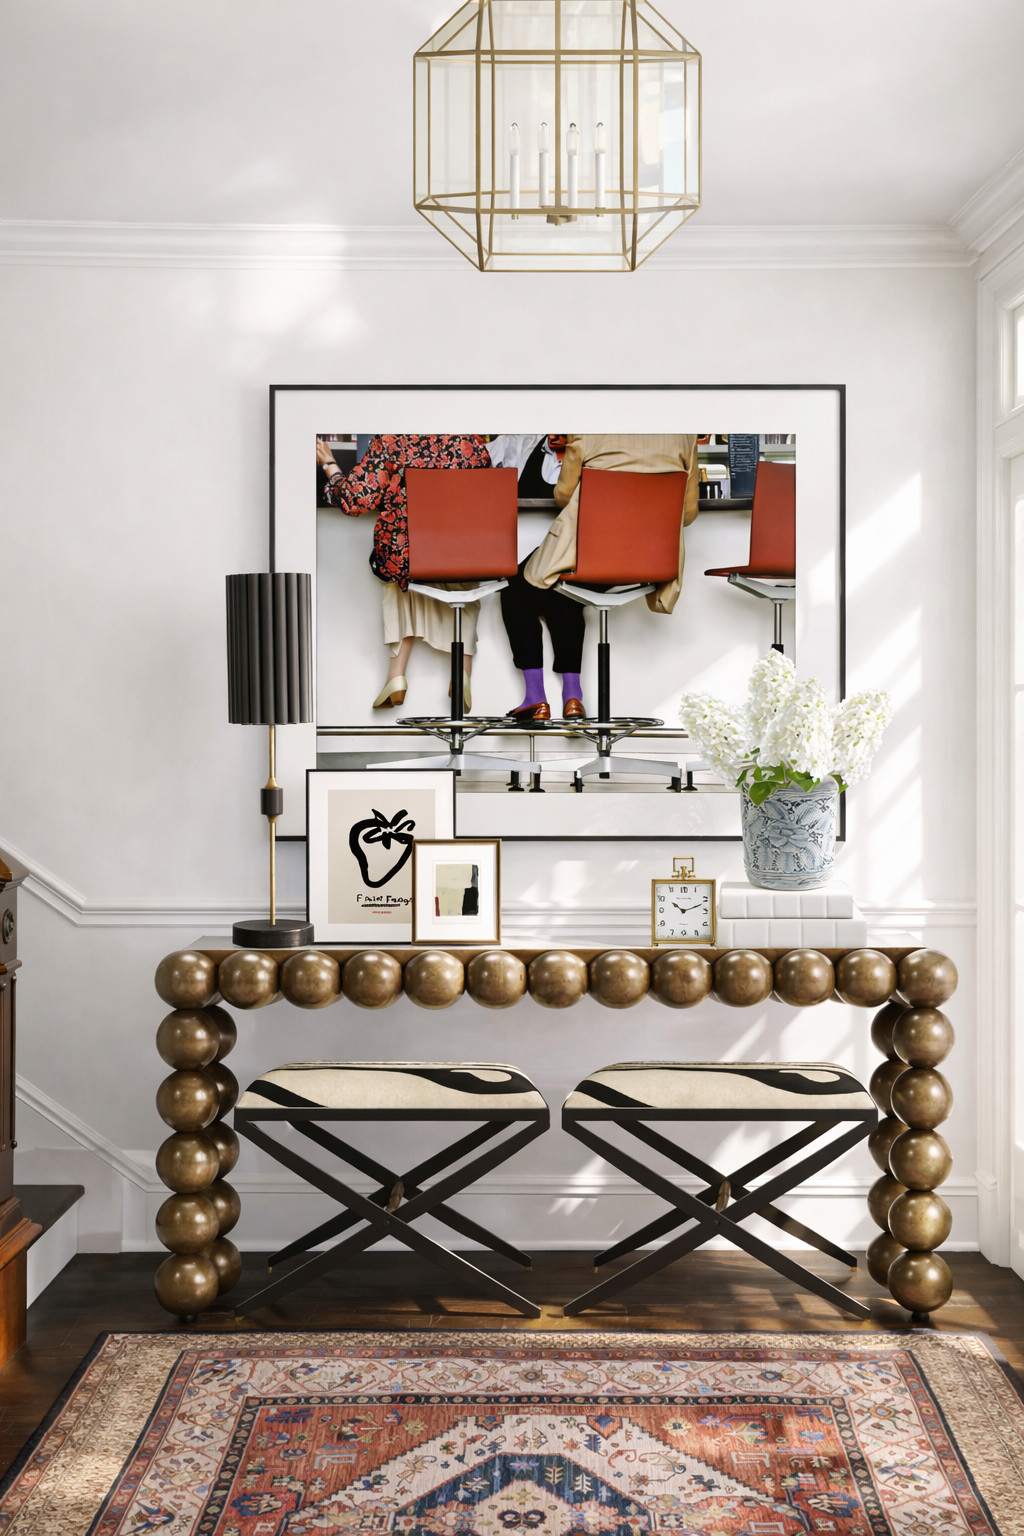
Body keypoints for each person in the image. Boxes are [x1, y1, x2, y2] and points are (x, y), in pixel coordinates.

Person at [318, 433, 491, 709]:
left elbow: (355, 499)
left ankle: (396, 676)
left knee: (401, 573)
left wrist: (330, 465)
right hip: (465, 555)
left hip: (411, 558)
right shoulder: (473, 443)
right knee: (462, 583)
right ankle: (462, 675)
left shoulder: (392, 441)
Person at [524, 433, 701, 615]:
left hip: (592, 555)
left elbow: (564, 496)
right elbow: (688, 514)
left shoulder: (585, 433)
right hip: (652, 560)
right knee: (564, 601)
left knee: (518, 592)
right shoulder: (686, 437)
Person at [486, 434, 587, 722]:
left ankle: (536, 698)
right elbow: (476, 461)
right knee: (564, 597)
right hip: (568, 558)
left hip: (575, 552)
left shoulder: (589, 447)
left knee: (515, 591)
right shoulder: (520, 441)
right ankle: (573, 697)